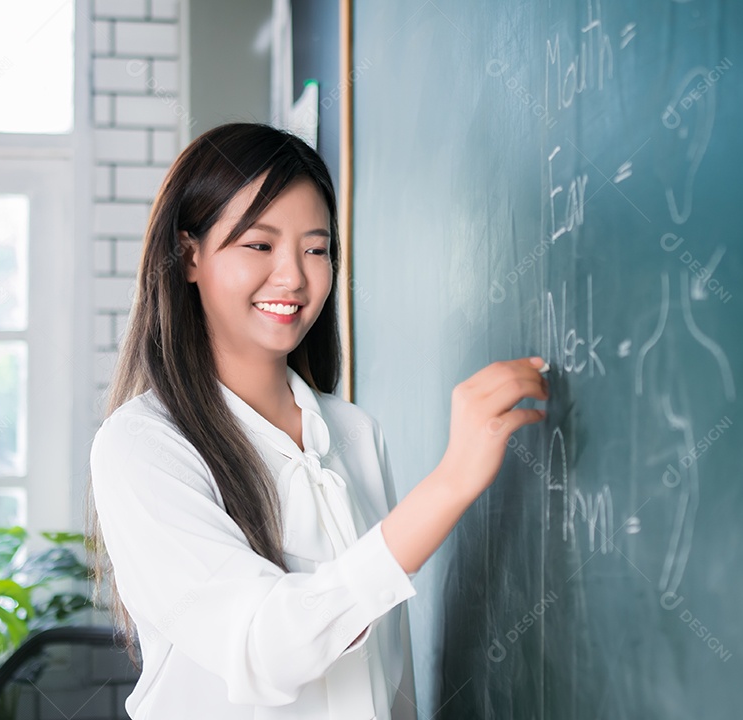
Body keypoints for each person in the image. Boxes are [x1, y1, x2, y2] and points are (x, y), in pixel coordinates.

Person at [85, 122, 550, 719]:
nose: (294, 277)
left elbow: (390, 665)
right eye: (259, 245)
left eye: (316, 248)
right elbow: (264, 646)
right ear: (189, 254)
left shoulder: (355, 432)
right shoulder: (142, 446)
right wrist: (451, 482)